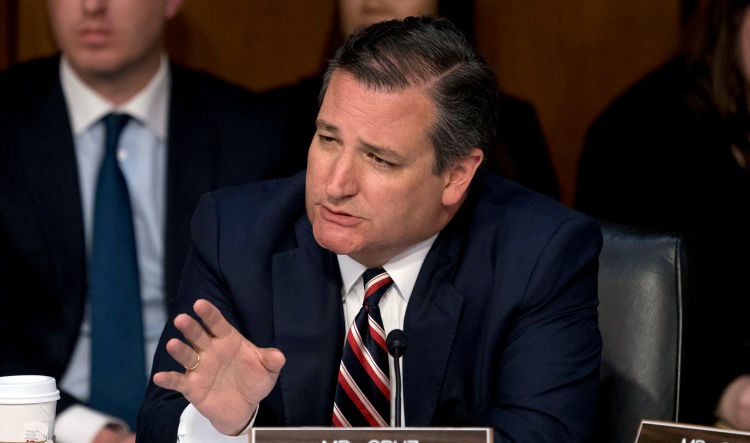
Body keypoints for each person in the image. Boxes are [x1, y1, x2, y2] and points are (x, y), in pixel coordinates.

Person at [138, 16, 603, 443]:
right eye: (327, 139)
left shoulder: (541, 255)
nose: (334, 185)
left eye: (379, 159)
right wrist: (231, 426)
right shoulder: (236, 234)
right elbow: (161, 423)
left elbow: (543, 435)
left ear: (457, 174)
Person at [0, 0, 300, 441]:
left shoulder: (251, 133)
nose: (91, 7)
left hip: (203, 424)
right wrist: (90, 432)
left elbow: (277, 325)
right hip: (44, 425)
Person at [575, 0, 750, 429]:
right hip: (684, 412)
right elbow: (613, 311)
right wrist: (725, 391)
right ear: (734, 15)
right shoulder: (641, 131)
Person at [265, 0, 562, 200]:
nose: (374, 1)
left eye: (382, 158)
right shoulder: (274, 118)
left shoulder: (512, 124)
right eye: (329, 138)